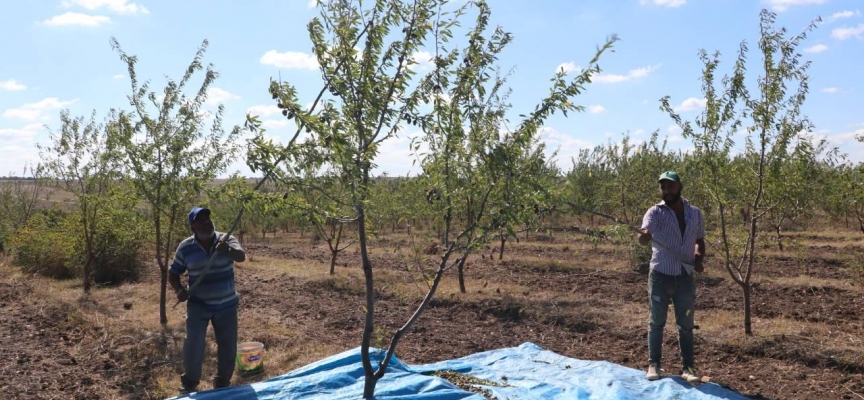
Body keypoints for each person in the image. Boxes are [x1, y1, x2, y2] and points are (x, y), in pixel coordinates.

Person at [637, 171, 705, 385]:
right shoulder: (655, 213)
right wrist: (644, 236)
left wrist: (698, 256)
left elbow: (699, 240)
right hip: (660, 276)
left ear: (679, 187)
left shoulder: (695, 213)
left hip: (684, 276)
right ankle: (654, 364)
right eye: (663, 187)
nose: (666, 191)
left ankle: (688, 368)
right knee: (656, 322)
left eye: (670, 186)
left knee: (686, 324)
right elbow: (643, 236)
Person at [169, 206, 246, 394]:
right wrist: (179, 290)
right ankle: (189, 384)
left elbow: (241, 256)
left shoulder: (226, 239)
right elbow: (173, 273)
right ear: (192, 227)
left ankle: (222, 384)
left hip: (226, 305)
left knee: (227, 346)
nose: (206, 223)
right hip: (198, 305)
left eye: (207, 219)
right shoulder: (185, 247)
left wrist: (226, 249)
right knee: (194, 344)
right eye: (200, 221)